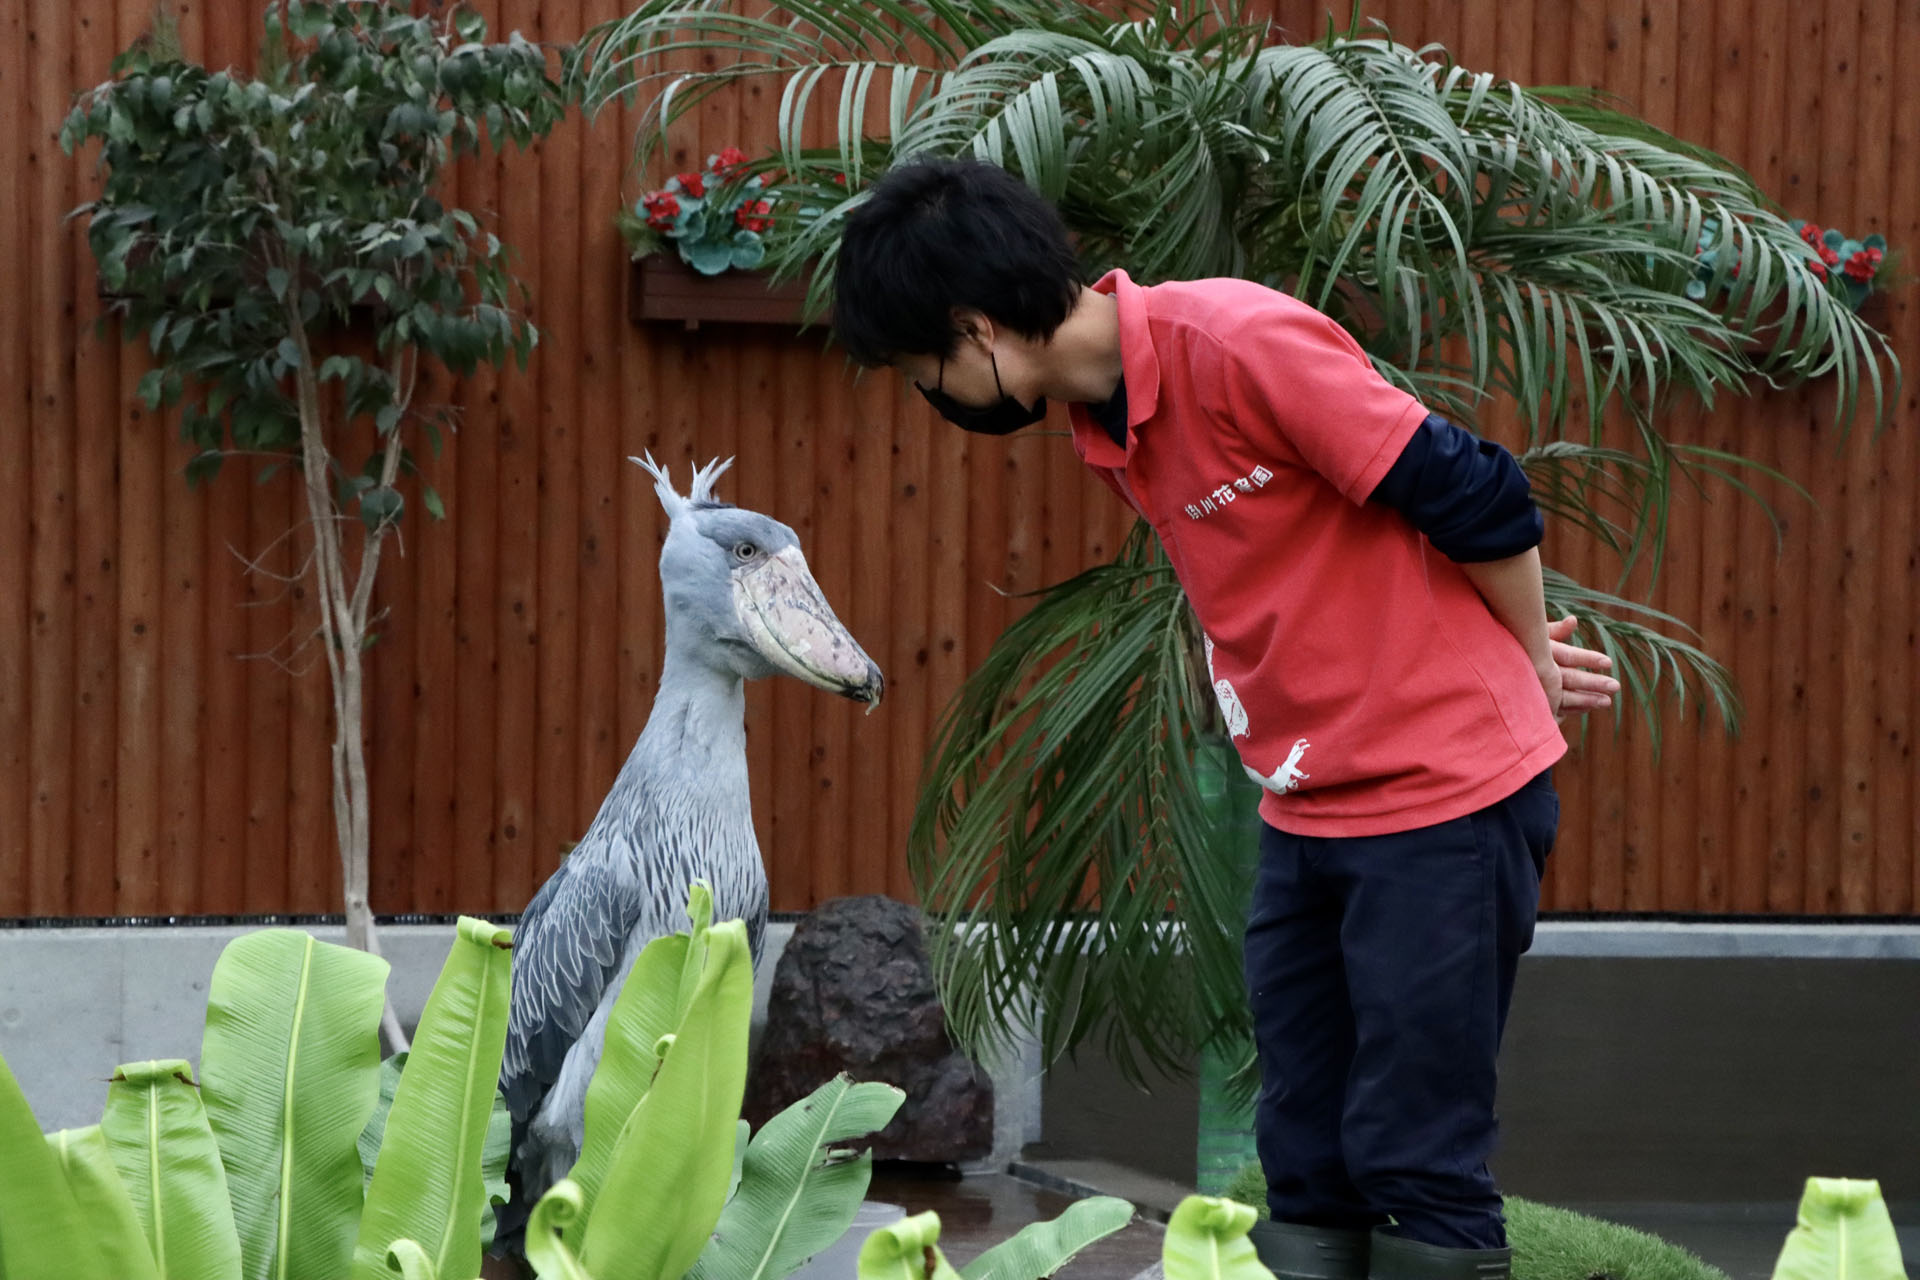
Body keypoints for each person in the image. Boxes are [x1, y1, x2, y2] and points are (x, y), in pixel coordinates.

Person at [829, 157, 1622, 1280]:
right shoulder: (1113, 425)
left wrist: (1530, 659)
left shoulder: (1232, 343)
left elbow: (1479, 489)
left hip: (1442, 798)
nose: (936, 400)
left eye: (925, 372)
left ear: (976, 331)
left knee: (1416, 1155)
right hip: (1309, 803)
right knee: (1304, 1157)